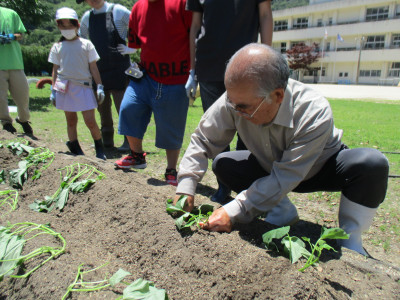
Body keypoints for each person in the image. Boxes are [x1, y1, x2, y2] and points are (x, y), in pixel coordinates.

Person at [174, 43, 389, 256]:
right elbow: (204, 138)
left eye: (243, 108)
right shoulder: (238, 99)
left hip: (319, 168)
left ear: (278, 96)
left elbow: (285, 176)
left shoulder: (313, 110)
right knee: (225, 164)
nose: (235, 110)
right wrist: (186, 187)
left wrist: (232, 210)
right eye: (232, 103)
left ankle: (350, 239)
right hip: (270, 166)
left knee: (371, 164)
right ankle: (281, 211)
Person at [184, 0, 273, 204]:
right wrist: (192, 69)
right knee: (216, 131)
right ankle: (223, 184)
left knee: (248, 130)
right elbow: (195, 26)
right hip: (208, 65)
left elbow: (265, 15)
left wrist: (267, 60)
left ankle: (246, 187)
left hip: (246, 65)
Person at [114, 0, 192, 187]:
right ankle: (137, 156)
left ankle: (171, 169)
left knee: (171, 125)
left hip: (177, 77)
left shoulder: (182, 3)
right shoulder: (138, 7)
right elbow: (137, 43)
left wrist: (194, 71)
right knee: (128, 109)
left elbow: (194, 36)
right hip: (146, 75)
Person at [48, 7, 106, 160]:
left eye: (70, 26)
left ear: (77, 25)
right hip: (64, 87)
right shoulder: (57, 47)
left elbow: (93, 67)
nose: (67, 29)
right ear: (59, 27)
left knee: (90, 121)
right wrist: (53, 89)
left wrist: (99, 86)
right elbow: (55, 69)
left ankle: (100, 148)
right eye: (63, 26)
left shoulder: (86, 45)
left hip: (83, 86)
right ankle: (75, 148)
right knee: (71, 120)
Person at [77, 0, 132, 151]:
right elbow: (81, 40)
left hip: (120, 68)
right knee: (103, 108)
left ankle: (129, 141)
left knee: (123, 107)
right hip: (98, 70)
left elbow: (141, 26)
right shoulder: (87, 17)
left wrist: (132, 48)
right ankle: (106, 140)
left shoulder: (118, 11)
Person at [0, 7, 33, 134]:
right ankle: (6, 122)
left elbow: (20, 34)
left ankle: (23, 120)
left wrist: (11, 37)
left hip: (15, 62)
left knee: (23, 94)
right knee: (0, 97)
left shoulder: (11, 13)